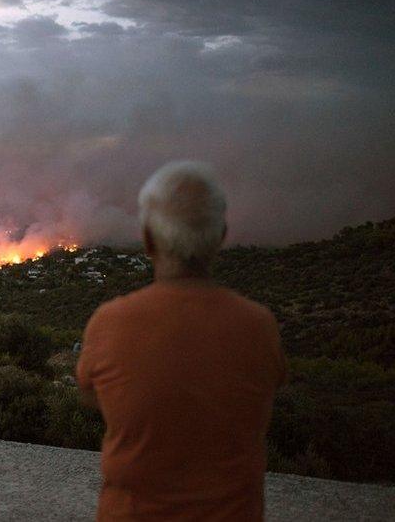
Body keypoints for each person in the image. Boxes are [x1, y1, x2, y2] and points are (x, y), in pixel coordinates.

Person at [76, 161, 286, 521]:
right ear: (221, 236)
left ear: (147, 239)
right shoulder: (259, 326)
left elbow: (91, 396)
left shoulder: (110, 324)